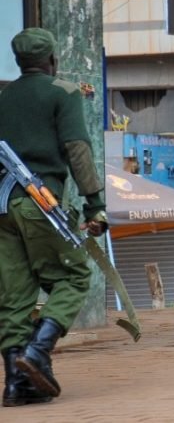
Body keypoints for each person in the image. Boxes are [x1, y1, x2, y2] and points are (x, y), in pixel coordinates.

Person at [0, 28, 108, 405]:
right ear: (51, 60)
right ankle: (38, 351)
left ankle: (16, 385)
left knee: (14, 295)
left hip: (3, 208)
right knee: (74, 276)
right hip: (40, 201)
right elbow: (77, 149)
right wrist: (94, 203)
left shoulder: (3, 97)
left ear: (18, 61)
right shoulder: (63, 91)